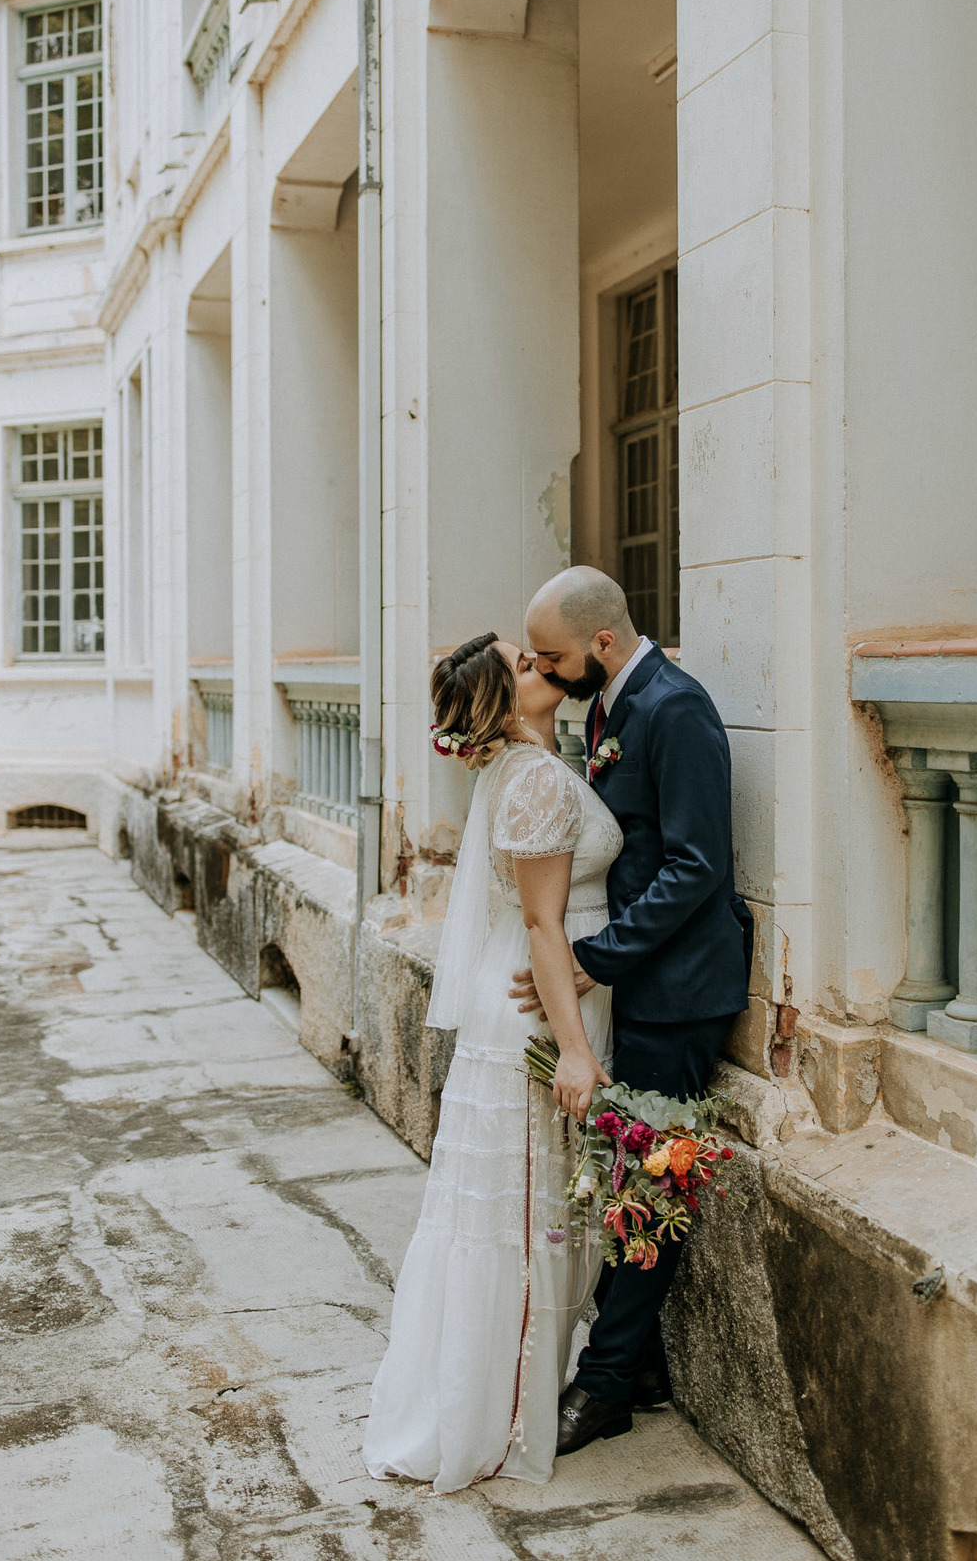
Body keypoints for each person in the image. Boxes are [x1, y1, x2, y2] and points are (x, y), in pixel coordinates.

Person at [362, 631, 623, 1491]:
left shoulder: (524, 770)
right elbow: (547, 926)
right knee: (525, 1217)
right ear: (503, 707)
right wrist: (576, 1053)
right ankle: (499, 1413)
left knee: (517, 1213)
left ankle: (497, 1389)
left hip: (528, 997)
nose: (540, 663)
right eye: (522, 663)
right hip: (539, 1017)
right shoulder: (538, 779)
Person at [513, 566, 752, 1456]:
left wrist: (589, 960)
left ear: (602, 643)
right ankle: (640, 1363)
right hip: (642, 983)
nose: (545, 667)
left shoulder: (673, 708)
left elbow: (695, 866)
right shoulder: (612, 700)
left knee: (649, 1183)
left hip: (681, 988)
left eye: (554, 655)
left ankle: (606, 1385)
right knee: (627, 1173)